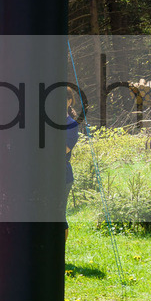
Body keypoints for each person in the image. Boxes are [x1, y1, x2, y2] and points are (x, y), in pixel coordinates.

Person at [64, 86, 81, 241]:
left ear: (69, 102)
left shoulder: (71, 125)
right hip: (42, 175)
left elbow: (63, 150)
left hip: (62, 176)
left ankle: (59, 252)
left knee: (57, 214)